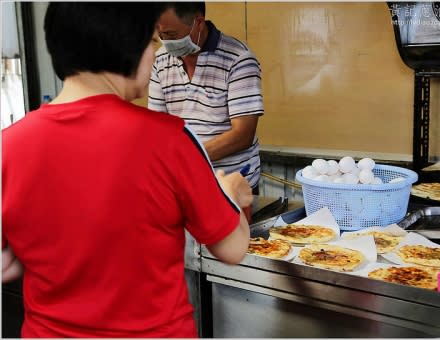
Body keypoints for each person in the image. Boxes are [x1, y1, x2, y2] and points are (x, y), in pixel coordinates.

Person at [2, 3, 252, 338]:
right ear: (127, 45)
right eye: (151, 42)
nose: (155, 55)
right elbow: (232, 249)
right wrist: (233, 196)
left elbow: (5, 263)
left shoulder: (8, 145)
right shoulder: (170, 139)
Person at [148, 2, 264, 194]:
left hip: (231, 188)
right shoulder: (160, 60)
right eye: (160, 36)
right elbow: (158, 127)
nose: (165, 42)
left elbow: (242, 135)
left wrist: (186, 157)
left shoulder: (239, 59)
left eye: (171, 35)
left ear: (198, 23)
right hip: (183, 184)